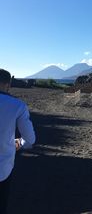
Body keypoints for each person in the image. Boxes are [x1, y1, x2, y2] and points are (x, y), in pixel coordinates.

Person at [0, 69, 35, 214]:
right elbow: (30, 139)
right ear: (8, 84)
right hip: (2, 169)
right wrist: (16, 143)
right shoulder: (17, 106)